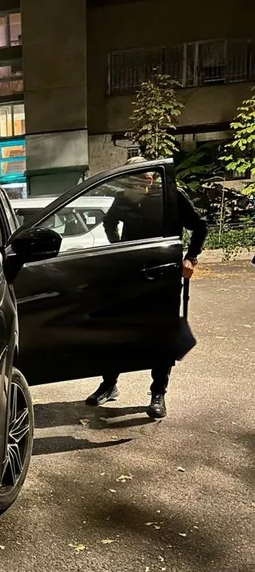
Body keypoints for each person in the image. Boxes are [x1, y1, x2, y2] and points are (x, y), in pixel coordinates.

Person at [85, 156, 208, 419]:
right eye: (136, 176)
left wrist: (191, 258)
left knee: (161, 335)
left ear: (153, 175)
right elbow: (109, 223)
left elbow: (200, 227)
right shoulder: (125, 198)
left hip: (164, 274)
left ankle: (158, 393)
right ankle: (109, 385)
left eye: (147, 174)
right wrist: (119, 249)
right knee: (118, 332)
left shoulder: (172, 195)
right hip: (131, 274)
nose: (144, 179)